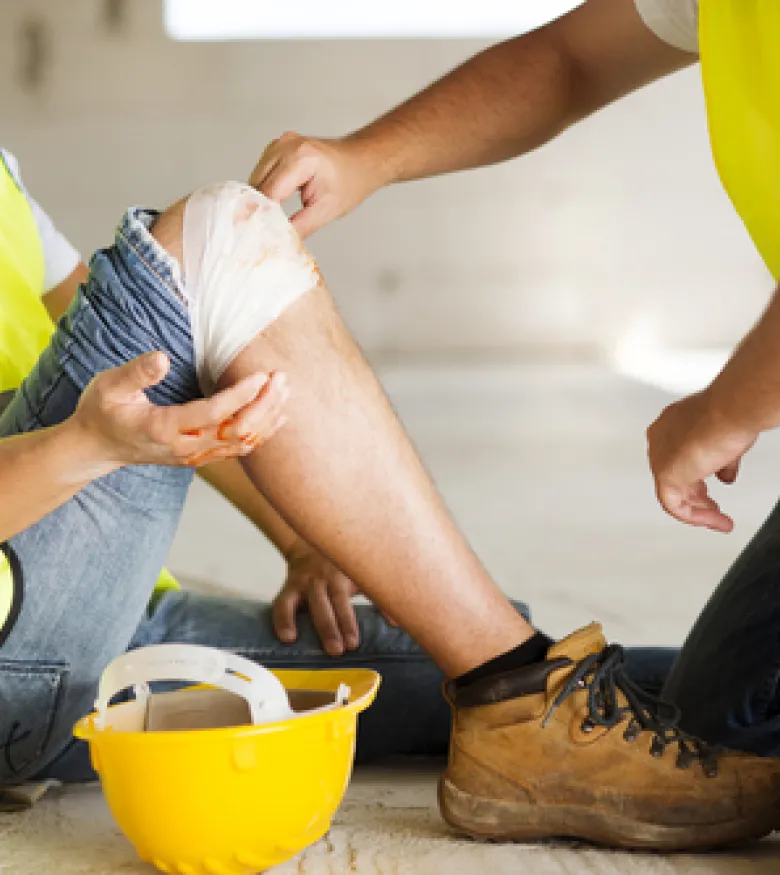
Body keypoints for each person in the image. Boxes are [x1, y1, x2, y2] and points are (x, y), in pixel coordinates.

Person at [0, 161, 778, 857]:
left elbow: (166, 367)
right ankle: (518, 687)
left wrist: (303, 535)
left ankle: (535, 695)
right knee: (214, 237)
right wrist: (81, 451)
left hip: (99, 627)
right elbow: (167, 315)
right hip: (15, 641)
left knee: (603, 693)